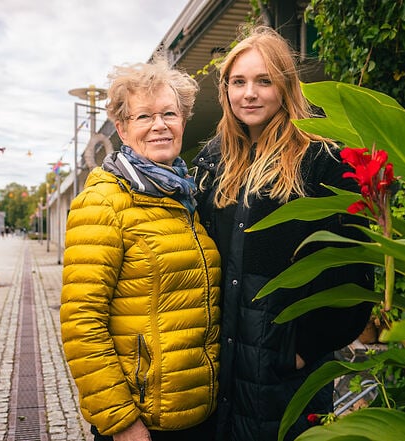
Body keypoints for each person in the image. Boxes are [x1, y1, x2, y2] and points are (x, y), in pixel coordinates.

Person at [192, 26, 373, 440]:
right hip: (222, 356)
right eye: (238, 82)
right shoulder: (214, 158)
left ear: (286, 85)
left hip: (281, 365)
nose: (249, 93)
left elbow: (353, 262)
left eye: (263, 81)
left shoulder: (321, 158)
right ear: (225, 90)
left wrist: (305, 347)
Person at [60, 57, 221, 441]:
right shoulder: (103, 201)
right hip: (144, 424)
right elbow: (82, 323)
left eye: (169, 113)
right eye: (144, 116)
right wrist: (121, 422)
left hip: (200, 414)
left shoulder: (185, 197)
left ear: (183, 121)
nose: (160, 125)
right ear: (122, 128)